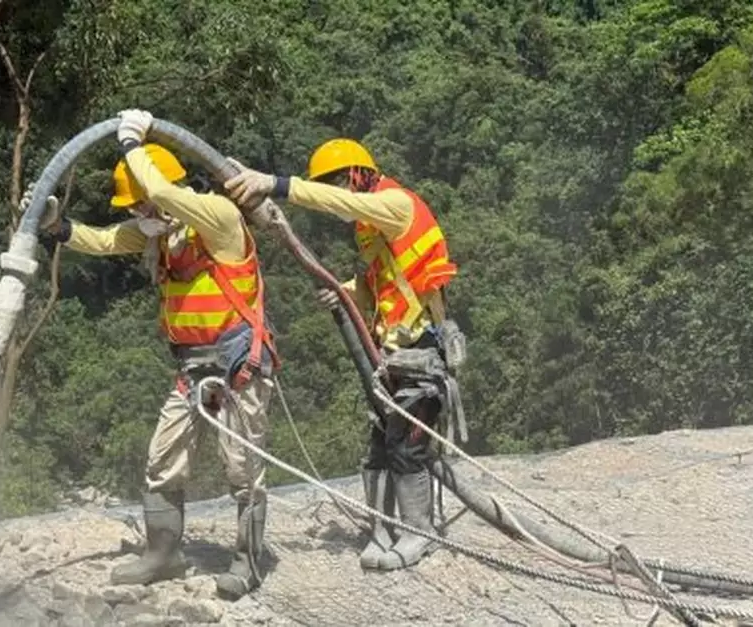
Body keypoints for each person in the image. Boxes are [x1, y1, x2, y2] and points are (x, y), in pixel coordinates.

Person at [30, 109, 280, 600]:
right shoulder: (161, 236)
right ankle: (164, 553)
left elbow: (165, 196)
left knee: (243, 469)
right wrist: (57, 227)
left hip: (237, 364)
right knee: (162, 461)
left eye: (139, 204)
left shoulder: (218, 217)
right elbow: (101, 240)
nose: (136, 215)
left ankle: (247, 562)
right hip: (191, 367)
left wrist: (130, 143)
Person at [223, 138, 462, 571]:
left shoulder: (396, 204)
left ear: (357, 175)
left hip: (420, 350)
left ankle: (417, 533)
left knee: (407, 448)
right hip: (390, 350)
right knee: (378, 447)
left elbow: (330, 199)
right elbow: (378, 285)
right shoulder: (370, 227)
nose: (335, 195)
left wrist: (275, 184)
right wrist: (344, 293)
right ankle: (382, 528)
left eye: (337, 182)